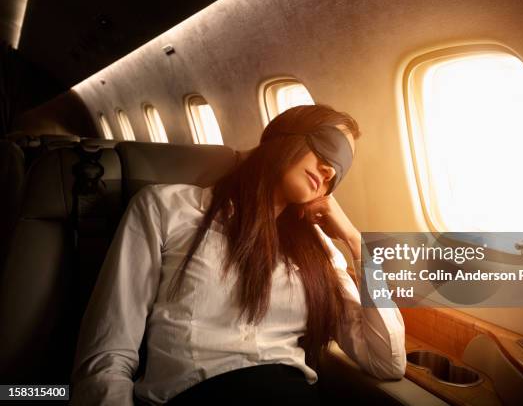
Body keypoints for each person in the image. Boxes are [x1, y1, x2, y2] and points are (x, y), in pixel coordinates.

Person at [69, 105, 406, 405]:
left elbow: (386, 362)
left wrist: (354, 240)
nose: (331, 170)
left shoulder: (320, 251)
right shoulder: (165, 208)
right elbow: (107, 355)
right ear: (286, 136)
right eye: (329, 148)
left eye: (340, 168)